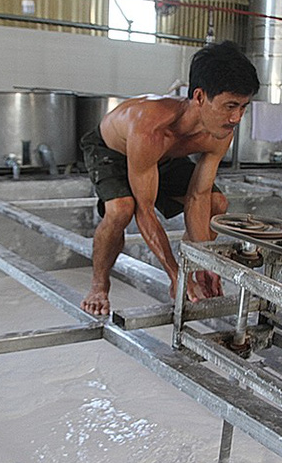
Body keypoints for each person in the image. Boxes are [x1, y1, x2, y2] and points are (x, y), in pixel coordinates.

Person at [79, 41, 260, 316]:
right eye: (230, 106)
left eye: (244, 107)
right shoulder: (150, 127)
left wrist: (205, 262)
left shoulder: (220, 131)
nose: (236, 117)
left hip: (162, 157)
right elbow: (146, 211)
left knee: (217, 202)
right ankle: (99, 285)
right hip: (112, 150)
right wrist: (173, 273)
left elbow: (198, 197)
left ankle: (193, 271)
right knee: (122, 209)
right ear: (199, 97)